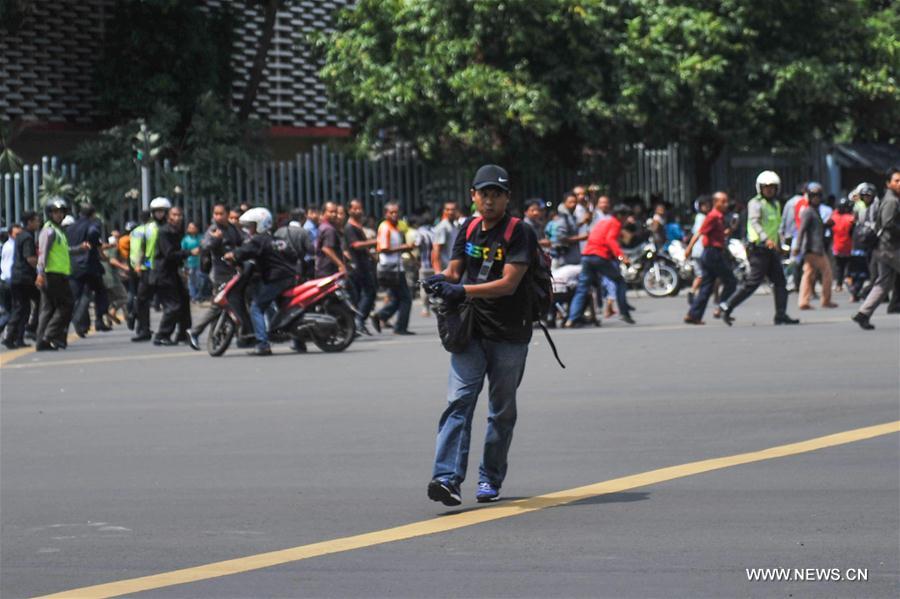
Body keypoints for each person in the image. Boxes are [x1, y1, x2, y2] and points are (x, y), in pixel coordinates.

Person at [425, 164, 537, 505]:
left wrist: (463, 291)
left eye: (496, 195)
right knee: (458, 402)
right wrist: (439, 279)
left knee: (501, 411)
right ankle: (446, 479)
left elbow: (508, 284)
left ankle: (489, 477)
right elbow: (455, 270)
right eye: (483, 194)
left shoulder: (520, 232)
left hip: (509, 334)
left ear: (507, 198)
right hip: (470, 331)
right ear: (472, 196)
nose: (489, 201)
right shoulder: (468, 227)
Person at [718, 171, 798, 326]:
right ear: (759, 188)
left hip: (771, 250)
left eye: (772, 187)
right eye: (766, 187)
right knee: (752, 283)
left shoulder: (775, 204)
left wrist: (780, 245)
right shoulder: (755, 203)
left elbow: (776, 227)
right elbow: (755, 223)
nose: (769, 190)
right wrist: (766, 239)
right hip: (758, 249)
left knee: (780, 282)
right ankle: (727, 306)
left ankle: (780, 315)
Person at [225, 207, 300, 355]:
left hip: (276, 279)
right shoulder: (276, 239)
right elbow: (293, 254)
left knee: (256, 308)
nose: (249, 229)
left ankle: (263, 343)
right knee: (285, 309)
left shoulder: (258, 240)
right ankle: (299, 341)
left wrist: (232, 255)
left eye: (251, 226)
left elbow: (244, 251)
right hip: (290, 277)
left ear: (260, 225)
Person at [565, 204, 635, 327]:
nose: (626, 220)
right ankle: (624, 312)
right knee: (620, 282)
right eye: (625, 217)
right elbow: (610, 240)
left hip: (587, 255)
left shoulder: (603, 222)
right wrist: (621, 257)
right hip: (599, 256)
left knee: (582, 288)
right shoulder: (615, 223)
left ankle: (571, 319)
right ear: (620, 216)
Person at [189, 204, 249, 347]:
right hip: (219, 275)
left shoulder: (232, 228)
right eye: (215, 214)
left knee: (239, 304)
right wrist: (216, 239)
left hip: (235, 273)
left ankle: (242, 335)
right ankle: (195, 331)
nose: (217, 217)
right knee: (218, 305)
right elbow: (204, 246)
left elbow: (243, 242)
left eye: (221, 214)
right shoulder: (213, 229)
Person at [34, 198, 89, 350]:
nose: (59, 215)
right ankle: (49, 335)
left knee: (48, 308)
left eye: (61, 212)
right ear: (49, 213)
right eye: (55, 212)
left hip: (58, 274)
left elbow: (65, 251)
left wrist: (79, 248)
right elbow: (42, 253)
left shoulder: (59, 232)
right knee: (67, 304)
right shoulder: (49, 231)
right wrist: (40, 273)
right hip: (52, 274)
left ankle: (41, 341)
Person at [852, 166, 900, 330]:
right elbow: (888, 223)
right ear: (888, 183)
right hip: (890, 249)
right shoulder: (892, 201)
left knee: (883, 283)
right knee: (883, 282)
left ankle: (863, 313)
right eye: (896, 181)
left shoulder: (891, 198)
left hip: (884, 249)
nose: (899, 184)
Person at [684, 192, 737, 324]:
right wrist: (689, 248)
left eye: (726, 201)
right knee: (731, 281)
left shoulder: (719, 217)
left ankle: (693, 315)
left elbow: (718, 235)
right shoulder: (712, 216)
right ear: (715, 203)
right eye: (722, 202)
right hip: (712, 254)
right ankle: (722, 308)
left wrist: (730, 230)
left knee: (706, 287)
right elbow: (700, 232)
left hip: (713, 253)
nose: (726, 204)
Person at [150, 206, 198, 348]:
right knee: (173, 305)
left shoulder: (175, 231)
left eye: (179, 215)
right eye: (174, 215)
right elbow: (169, 254)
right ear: (168, 216)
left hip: (172, 272)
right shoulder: (165, 232)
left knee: (184, 300)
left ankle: (184, 333)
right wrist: (189, 252)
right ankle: (162, 335)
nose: (177, 218)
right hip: (164, 274)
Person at [67, 202, 110, 336]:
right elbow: (93, 234)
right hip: (89, 265)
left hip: (74, 265)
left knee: (78, 295)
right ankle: (97, 320)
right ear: (93, 213)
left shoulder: (71, 227)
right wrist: (96, 245)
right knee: (101, 293)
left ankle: (82, 324)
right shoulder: (93, 224)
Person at [372, 202, 415, 335]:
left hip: (396, 267)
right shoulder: (385, 227)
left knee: (397, 298)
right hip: (391, 268)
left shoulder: (395, 227)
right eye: (391, 212)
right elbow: (383, 248)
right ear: (386, 214)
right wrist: (403, 248)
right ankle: (400, 327)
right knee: (406, 298)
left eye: (396, 212)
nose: (395, 215)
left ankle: (381, 316)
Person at [132, 198, 171, 342]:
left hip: (167, 268)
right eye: (157, 211)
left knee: (170, 301)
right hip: (149, 268)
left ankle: (170, 331)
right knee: (142, 300)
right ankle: (144, 330)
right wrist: (138, 264)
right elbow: (142, 248)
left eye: (162, 211)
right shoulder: (148, 229)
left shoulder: (171, 227)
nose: (160, 214)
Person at [793, 182, 837, 310]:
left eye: (818, 196)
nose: (816, 198)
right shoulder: (808, 212)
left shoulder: (814, 211)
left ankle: (803, 301)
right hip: (813, 248)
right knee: (827, 272)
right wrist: (798, 246)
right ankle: (826, 300)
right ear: (809, 198)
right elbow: (802, 230)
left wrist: (826, 225)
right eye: (813, 196)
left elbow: (816, 229)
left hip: (814, 247)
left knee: (808, 274)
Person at [3, 217, 39, 349]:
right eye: (36, 220)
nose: (38, 223)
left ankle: (17, 337)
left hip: (17, 277)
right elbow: (29, 258)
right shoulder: (27, 237)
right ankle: (29, 330)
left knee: (22, 308)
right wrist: (41, 268)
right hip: (24, 278)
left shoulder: (19, 237)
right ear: (29, 222)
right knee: (37, 302)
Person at [345, 199, 377, 334]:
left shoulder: (357, 226)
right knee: (369, 292)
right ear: (349, 210)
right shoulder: (350, 227)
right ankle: (358, 320)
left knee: (361, 295)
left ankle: (357, 322)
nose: (358, 211)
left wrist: (371, 256)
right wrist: (375, 241)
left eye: (360, 208)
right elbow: (356, 245)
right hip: (357, 266)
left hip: (363, 265)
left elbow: (362, 246)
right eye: (355, 209)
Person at [274, 207, 314, 280]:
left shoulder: (279, 231)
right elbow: (311, 250)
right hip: (297, 268)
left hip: (281, 267)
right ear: (303, 218)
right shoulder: (303, 232)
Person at [314, 201, 346, 278]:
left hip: (322, 269)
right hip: (328, 271)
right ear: (324, 213)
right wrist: (340, 265)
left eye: (335, 212)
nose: (334, 214)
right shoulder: (329, 229)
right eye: (331, 212)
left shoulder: (323, 226)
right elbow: (327, 249)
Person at [830, 198, 855, 291]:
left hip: (837, 247)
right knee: (849, 268)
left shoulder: (834, 217)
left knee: (839, 267)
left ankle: (838, 285)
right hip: (848, 246)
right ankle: (850, 284)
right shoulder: (850, 219)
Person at [0, 224, 19, 337]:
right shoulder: (13, 247)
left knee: (8, 310)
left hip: (4, 280)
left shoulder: (6, 245)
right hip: (10, 281)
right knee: (14, 310)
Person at [431, 201, 461, 272]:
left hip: (454, 269)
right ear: (444, 211)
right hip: (446, 270)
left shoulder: (456, 226)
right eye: (447, 209)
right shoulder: (442, 227)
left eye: (453, 209)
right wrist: (438, 272)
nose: (450, 212)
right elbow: (436, 251)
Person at [181, 222, 204, 302]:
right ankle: (193, 296)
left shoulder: (201, 237)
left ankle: (198, 295)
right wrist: (184, 265)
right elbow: (183, 252)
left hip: (199, 263)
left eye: (193, 227)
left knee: (200, 280)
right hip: (189, 263)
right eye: (189, 227)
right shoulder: (185, 239)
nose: (191, 229)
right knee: (191, 281)